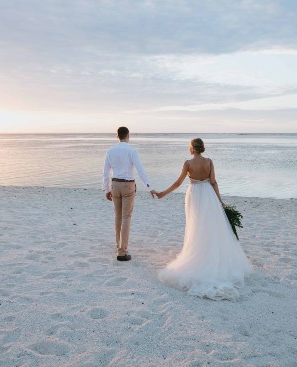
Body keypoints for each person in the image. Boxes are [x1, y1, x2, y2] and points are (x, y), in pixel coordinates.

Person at [155, 138, 252, 300]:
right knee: (210, 226)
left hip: (194, 194)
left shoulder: (188, 163)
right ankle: (209, 253)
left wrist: (163, 193)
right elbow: (213, 182)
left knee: (196, 226)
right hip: (208, 194)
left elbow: (179, 182)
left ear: (192, 148)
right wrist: (220, 201)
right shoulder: (209, 162)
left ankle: (199, 253)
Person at [102, 127, 158, 261]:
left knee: (118, 216)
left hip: (115, 185)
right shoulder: (132, 150)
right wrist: (150, 187)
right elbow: (140, 170)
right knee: (126, 217)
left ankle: (118, 246)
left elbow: (105, 172)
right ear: (128, 136)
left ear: (117, 136)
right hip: (128, 185)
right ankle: (122, 251)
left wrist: (106, 189)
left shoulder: (110, 151)